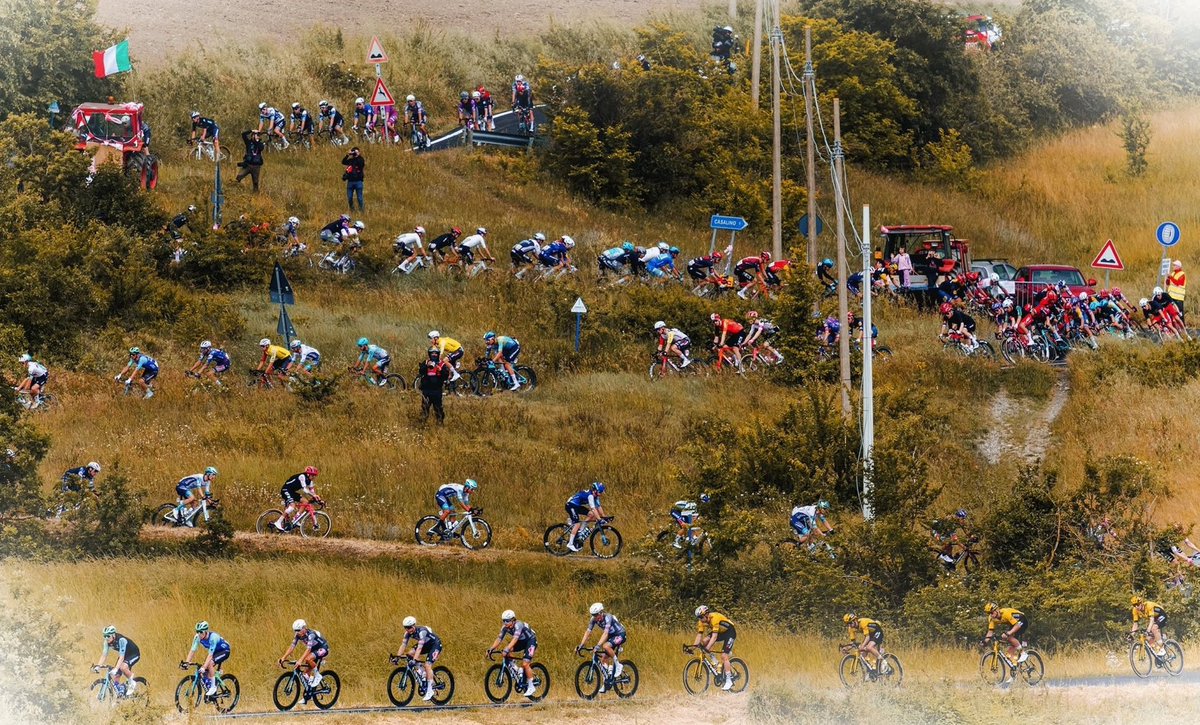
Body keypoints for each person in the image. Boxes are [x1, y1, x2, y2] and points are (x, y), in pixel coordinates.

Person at [487, 610, 539, 698]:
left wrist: (506, 649)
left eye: (507, 621)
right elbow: (499, 639)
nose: (505, 623)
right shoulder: (505, 627)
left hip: (531, 640)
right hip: (521, 642)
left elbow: (515, 639)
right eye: (503, 621)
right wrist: (491, 649)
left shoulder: (519, 625)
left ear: (513, 620)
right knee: (507, 652)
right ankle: (516, 669)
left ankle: (531, 686)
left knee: (525, 663)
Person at [576, 603, 627, 693]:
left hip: (620, 634)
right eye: (593, 615)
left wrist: (598, 646)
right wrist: (581, 645)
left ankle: (618, 665)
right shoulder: (593, 620)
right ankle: (607, 682)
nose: (594, 617)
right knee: (603, 659)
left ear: (601, 612)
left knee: (605, 646)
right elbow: (587, 633)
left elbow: (605, 634)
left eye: (596, 615)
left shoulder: (608, 617)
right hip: (612, 636)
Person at [278, 619, 329, 702]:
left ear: (304, 628)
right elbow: (292, 647)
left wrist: (300, 660)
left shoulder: (311, 635)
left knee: (308, 658)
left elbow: (308, 650)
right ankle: (310, 694)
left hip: (323, 648)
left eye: (298, 630)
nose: (297, 632)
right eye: (295, 631)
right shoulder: (298, 635)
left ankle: (318, 675)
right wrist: (283, 657)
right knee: (305, 674)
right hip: (314, 651)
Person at [393, 617, 442, 701]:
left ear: (414, 626)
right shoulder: (407, 633)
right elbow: (403, 645)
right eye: (406, 628)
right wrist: (397, 657)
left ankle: (430, 691)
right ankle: (422, 672)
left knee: (427, 665)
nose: (408, 630)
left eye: (409, 627)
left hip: (435, 644)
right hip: (426, 645)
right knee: (409, 654)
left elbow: (419, 648)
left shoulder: (422, 632)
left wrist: (414, 660)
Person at [180, 621, 231, 697]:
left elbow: (210, 655)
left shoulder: (213, 637)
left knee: (209, 663)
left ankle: (213, 687)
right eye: (197, 631)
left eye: (201, 632)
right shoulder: (197, 637)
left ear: (205, 631)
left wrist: (204, 667)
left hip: (224, 650)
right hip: (215, 652)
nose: (199, 634)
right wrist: (187, 662)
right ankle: (211, 686)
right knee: (204, 670)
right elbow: (192, 650)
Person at [692, 605, 736, 690]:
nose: (700, 620)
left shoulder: (714, 618)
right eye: (698, 618)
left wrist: (707, 648)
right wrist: (693, 648)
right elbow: (699, 635)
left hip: (730, 632)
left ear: (706, 614)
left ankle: (729, 680)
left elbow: (714, 637)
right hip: (720, 632)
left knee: (724, 656)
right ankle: (715, 662)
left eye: (701, 617)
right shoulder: (701, 621)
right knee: (704, 642)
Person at [95, 626, 141, 697]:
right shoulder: (106, 642)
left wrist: (116, 668)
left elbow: (121, 657)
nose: (106, 638)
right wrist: (98, 666)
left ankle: (132, 682)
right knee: (116, 676)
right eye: (104, 636)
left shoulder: (121, 640)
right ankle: (120, 694)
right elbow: (104, 655)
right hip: (125, 655)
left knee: (122, 667)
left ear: (113, 635)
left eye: (108, 636)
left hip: (134, 653)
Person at [274, 467, 321, 532]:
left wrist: (317, 498)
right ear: (308, 474)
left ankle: (296, 519)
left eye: (315, 476)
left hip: (292, 491)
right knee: (292, 506)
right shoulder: (302, 476)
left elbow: (312, 491)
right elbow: (305, 490)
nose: (313, 477)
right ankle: (278, 522)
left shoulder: (310, 481)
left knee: (305, 502)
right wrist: (314, 495)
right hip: (286, 490)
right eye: (312, 475)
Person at [565, 481, 608, 552]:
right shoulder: (590, 496)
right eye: (600, 492)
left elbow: (599, 507)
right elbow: (594, 509)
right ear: (595, 491)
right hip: (570, 505)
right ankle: (570, 544)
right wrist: (599, 519)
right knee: (577, 523)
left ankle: (580, 531)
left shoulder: (595, 496)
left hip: (576, 505)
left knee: (591, 514)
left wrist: (604, 517)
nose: (600, 494)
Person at [983, 602, 1028, 667]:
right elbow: (990, 632)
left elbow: (1017, 625)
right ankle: (1015, 671)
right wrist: (985, 641)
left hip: (1022, 620)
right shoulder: (992, 619)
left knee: (1007, 636)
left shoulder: (1006, 613)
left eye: (992, 612)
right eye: (989, 613)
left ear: (997, 610)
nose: (991, 615)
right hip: (1014, 624)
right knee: (1009, 653)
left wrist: (1008, 633)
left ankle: (1023, 653)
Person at [417, 348, 451, 425]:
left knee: (438, 409)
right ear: (429, 354)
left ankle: (440, 426)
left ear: (438, 354)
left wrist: (440, 370)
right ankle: (422, 425)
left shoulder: (442, 364)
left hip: (437, 390)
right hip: (426, 390)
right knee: (425, 409)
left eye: (436, 353)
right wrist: (427, 366)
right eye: (432, 353)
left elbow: (446, 376)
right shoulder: (426, 362)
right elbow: (420, 372)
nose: (434, 355)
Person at [342, 148, 365, 213]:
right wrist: (347, 155)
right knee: (349, 198)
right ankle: (352, 210)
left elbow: (361, 164)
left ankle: (362, 210)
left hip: (358, 181)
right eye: (353, 152)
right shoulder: (351, 160)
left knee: (359, 198)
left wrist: (357, 155)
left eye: (356, 152)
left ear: (359, 152)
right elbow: (343, 162)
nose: (354, 153)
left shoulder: (361, 159)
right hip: (350, 182)